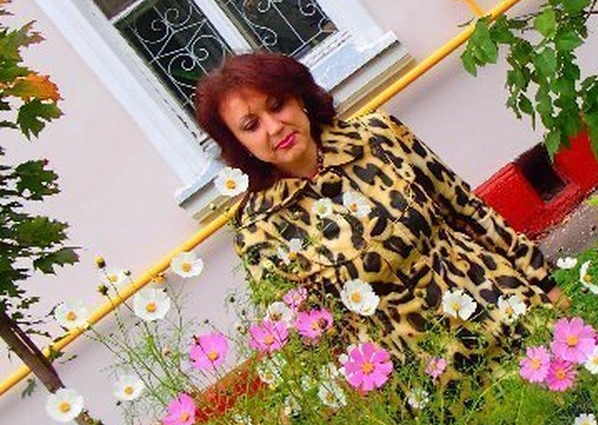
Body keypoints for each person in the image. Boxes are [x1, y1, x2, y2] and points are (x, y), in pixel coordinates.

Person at [195, 51, 566, 377]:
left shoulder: (378, 136)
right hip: (433, 378)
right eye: (251, 125)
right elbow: (308, 337)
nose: (275, 127)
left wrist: (545, 282)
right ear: (239, 145)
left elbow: (466, 209)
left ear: (300, 98)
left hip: (505, 309)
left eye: (277, 105)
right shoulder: (259, 231)